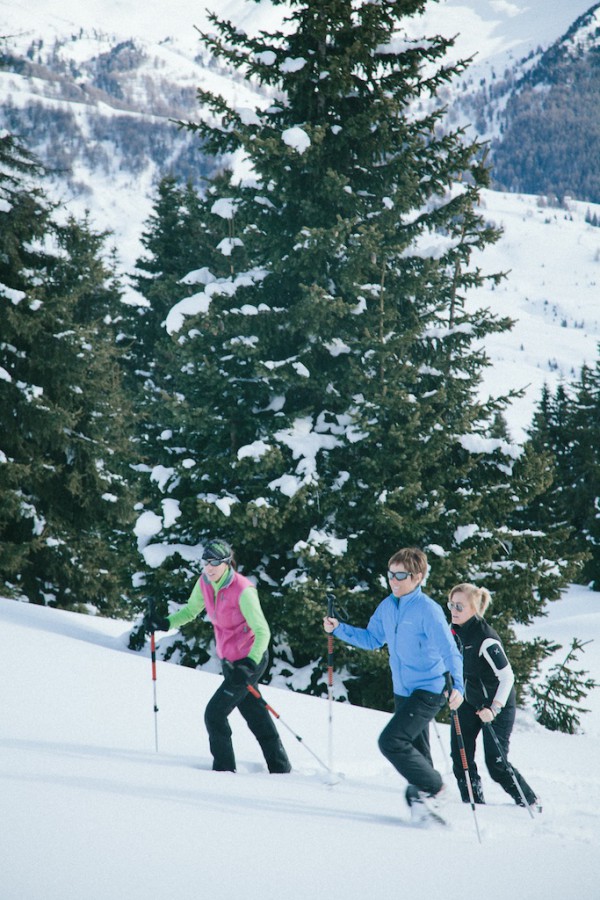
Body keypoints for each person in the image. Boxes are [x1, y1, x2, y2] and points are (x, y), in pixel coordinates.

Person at [323, 547, 464, 822]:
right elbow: (372, 639)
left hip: (429, 689)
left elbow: (449, 650)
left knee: (392, 741)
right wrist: (338, 628)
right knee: (417, 753)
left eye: (401, 575)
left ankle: (437, 789)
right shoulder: (388, 606)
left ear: (418, 577)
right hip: (403, 690)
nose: (394, 581)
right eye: (390, 574)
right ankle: (426, 808)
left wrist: (458, 685)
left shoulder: (428, 610)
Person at [145, 538, 291, 774]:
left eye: (214, 563)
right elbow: (191, 610)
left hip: (249, 660)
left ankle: (224, 772)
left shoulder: (243, 590)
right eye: (205, 563)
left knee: (214, 714)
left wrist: (250, 663)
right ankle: (281, 768)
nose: (209, 568)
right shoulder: (204, 582)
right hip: (230, 662)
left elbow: (263, 631)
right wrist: (165, 623)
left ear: (227, 563)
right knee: (255, 714)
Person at [447, 582, 540, 810]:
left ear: (473, 609)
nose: (454, 611)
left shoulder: (486, 638)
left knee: (496, 764)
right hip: (469, 701)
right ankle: (473, 803)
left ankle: (530, 802)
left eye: (459, 606)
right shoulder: (453, 632)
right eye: (451, 605)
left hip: (497, 704)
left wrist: (494, 708)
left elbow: (507, 677)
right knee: (460, 757)